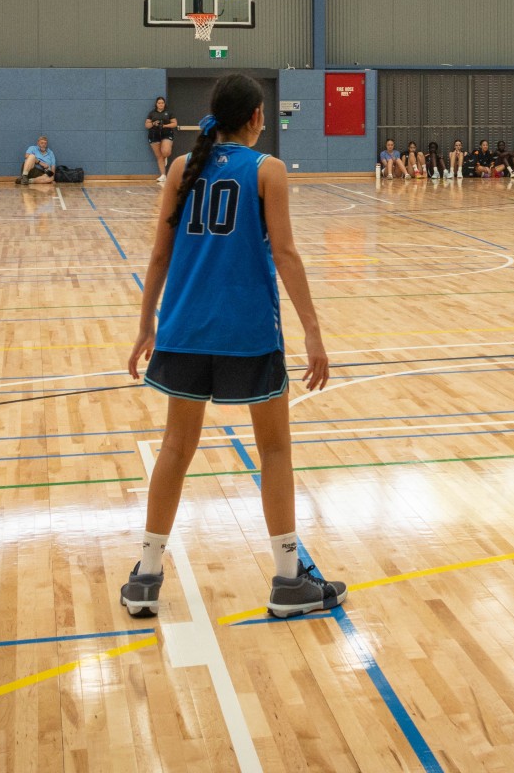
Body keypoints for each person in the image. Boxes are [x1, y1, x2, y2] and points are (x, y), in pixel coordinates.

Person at [119, 74, 346, 621]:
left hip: (184, 329)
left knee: (176, 447)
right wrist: (313, 330)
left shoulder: (181, 166)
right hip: (249, 333)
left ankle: (145, 576)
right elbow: (286, 254)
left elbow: (158, 255)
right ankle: (288, 581)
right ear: (256, 118)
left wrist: (146, 323)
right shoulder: (268, 170)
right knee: (274, 450)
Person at [146, 96, 177, 184]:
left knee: (166, 152)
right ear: (156, 104)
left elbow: (174, 123)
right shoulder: (152, 113)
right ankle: (163, 175)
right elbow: (147, 125)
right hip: (154, 134)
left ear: (164, 104)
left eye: (162, 103)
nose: (161, 104)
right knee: (159, 156)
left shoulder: (169, 112)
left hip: (166, 134)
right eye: (159, 103)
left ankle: (164, 156)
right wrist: (153, 123)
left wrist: (164, 126)